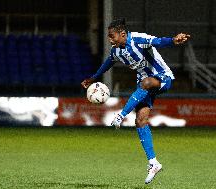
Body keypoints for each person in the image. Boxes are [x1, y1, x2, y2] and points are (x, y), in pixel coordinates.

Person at [81, 18, 190, 184]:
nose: (110, 39)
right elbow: (108, 62)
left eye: (112, 36)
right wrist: (93, 78)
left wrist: (174, 40)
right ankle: (153, 163)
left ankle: (121, 115)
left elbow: (159, 41)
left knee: (145, 83)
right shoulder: (116, 50)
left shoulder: (138, 39)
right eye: (109, 36)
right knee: (140, 120)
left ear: (123, 34)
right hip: (144, 84)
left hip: (162, 77)